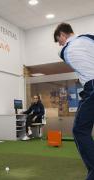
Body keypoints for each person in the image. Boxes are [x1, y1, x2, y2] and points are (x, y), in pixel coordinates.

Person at [54, 23, 94, 180]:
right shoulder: (90, 37)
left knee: (80, 130)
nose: (60, 44)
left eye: (59, 40)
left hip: (92, 86)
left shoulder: (64, 50)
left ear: (63, 35)